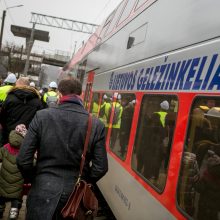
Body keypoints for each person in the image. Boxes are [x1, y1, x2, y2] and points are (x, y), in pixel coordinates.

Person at [17, 78, 108, 220]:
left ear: (59, 94)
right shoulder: (96, 124)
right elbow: (101, 167)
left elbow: (23, 160)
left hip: (42, 190)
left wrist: (37, 178)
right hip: (76, 197)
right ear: (81, 94)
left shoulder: (42, 117)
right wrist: (83, 180)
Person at [0, 77, 42, 145]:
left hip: (8, 135)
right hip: (27, 137)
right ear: (28, 86)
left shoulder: (10, 97)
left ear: (17, 84)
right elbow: (39, 120)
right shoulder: (37, 100)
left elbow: (3, 116)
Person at [0, 124, 27, 220]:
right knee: (15, 199)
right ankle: (13, 214)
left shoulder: (6, 147)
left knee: (1, 197)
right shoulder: (24, 151)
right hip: (17, 184)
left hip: (3, 181)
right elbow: (31, 163)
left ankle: (0, 211)